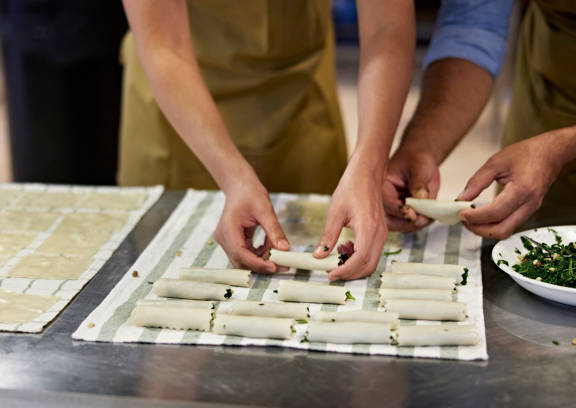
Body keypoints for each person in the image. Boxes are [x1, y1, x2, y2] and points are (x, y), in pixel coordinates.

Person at [120, 0, 415, 280]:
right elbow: (165, 45)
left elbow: (386, 29)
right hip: (179, 104)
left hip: (301, 97)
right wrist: (233, 177)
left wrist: (369, 169)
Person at [383, 0, 576, 240]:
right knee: (538, 247)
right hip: (552, 87)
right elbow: (473, 24)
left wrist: (561, 152)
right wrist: (421, 147)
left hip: (555, 145)